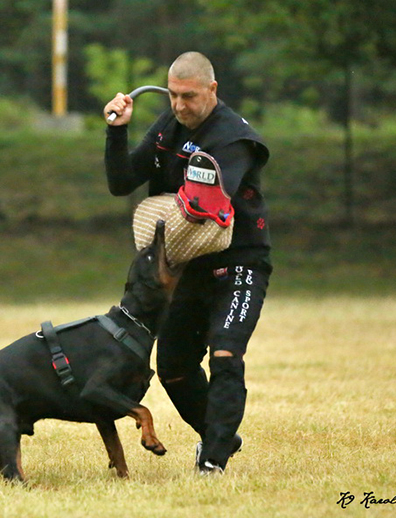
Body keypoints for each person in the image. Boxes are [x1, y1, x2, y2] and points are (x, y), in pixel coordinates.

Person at [102, 51, 272, 475]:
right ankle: (221, 436)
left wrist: (162, 213)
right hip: (188, 266)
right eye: (173, 95)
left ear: (212, 90)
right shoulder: (169, 126)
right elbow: (122, 182)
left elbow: (208, 206)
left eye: (189, 96)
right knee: (174, 367)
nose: (179, 106)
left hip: (239, 263)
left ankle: (212, 460)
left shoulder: (234, 138)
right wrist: (117, 132)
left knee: (226, 353)